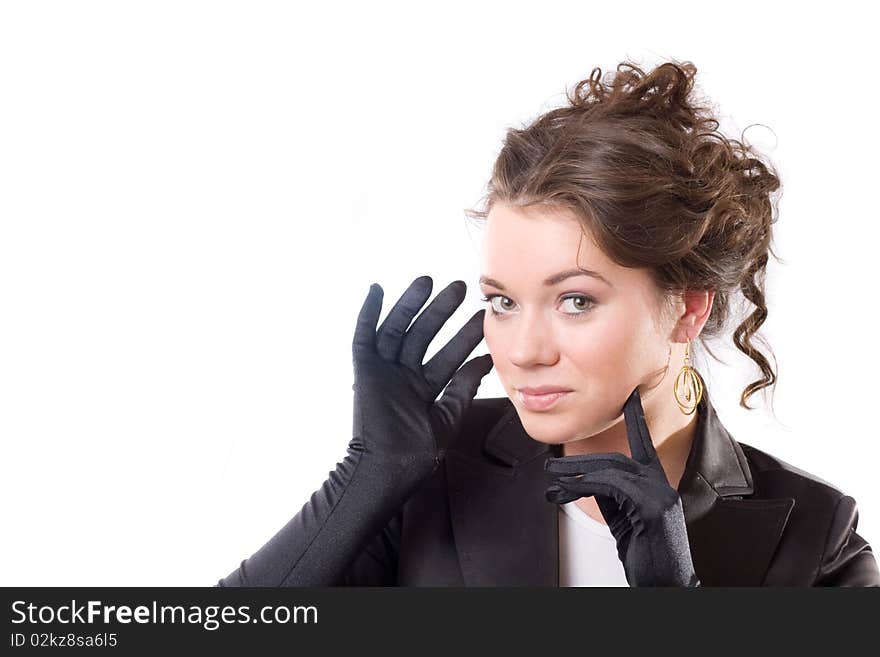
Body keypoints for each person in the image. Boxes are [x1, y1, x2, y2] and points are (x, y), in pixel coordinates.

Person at [216, 59, 879, 587]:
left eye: (576, 301)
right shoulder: (434, 473)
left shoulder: (812, 534)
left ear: (688, 307)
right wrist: (365, 481)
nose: (525, 351)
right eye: (503, 300)